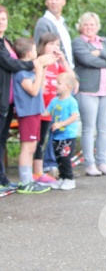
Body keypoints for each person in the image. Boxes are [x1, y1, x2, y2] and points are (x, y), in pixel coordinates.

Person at [0, 6, 55, 189]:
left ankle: (6, 179)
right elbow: (10, 63)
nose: (2, 22)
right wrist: (36, 64)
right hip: (9, 100)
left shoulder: (5, 40)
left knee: (6, 140)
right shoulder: (5, 50)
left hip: (8, 102)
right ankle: (22, 181)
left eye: (4, 18)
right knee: (21, 144)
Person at [73, 12, 106, 175]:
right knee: (88, 128)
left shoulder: (104, 41)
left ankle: (102, 162)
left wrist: (100, 53)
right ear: (81, 26)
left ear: (97, 26)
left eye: (92, 24)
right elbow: (87, 60)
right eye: (86, 24)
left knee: (104, 128)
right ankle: (89, 163)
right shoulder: (78, 42)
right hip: (88, 90)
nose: (89, 27)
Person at [36, 33, 75, 185]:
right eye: (51, 44)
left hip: (54, 113)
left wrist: (64, 60)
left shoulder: (58, 64)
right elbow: (41, 86)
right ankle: (38, 171)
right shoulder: (38, 61)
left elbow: (72, 81)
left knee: (52, 143)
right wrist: (44, 65)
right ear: (43, 46)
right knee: (38, 143)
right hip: (41, 109)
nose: (55, 48)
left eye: (57, 45)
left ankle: (51, 169)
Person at [13, 38, 50, 194]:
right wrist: (39, 70)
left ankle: (29, 179)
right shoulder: (22, 73)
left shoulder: (30, 72)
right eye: (35, 50)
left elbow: (40, 86)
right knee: (27, 147)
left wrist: (43, 68)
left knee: (33, 146)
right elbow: (33, 90)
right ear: (29, 53)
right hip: (27, 113)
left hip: (35, 112)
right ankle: (25, 180)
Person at [46, 73, 79, 190]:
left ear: (68, 87)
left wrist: (60, 124)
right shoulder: (54, 101)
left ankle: (69, 179)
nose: (56, 85)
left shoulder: (71, 101)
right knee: (58, 158)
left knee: (65, 158)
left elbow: (74, 116)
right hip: (56, 136)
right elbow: (46, 112)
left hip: (68, 136)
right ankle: (62, 177)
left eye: (59, 83)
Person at [34, 0, 74, 67]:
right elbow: (42, 50)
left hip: (68, 69)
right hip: (54, 70)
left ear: (63, 2)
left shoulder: (63, 23)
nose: (54, 2)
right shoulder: (43, 23)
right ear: (46, 2)